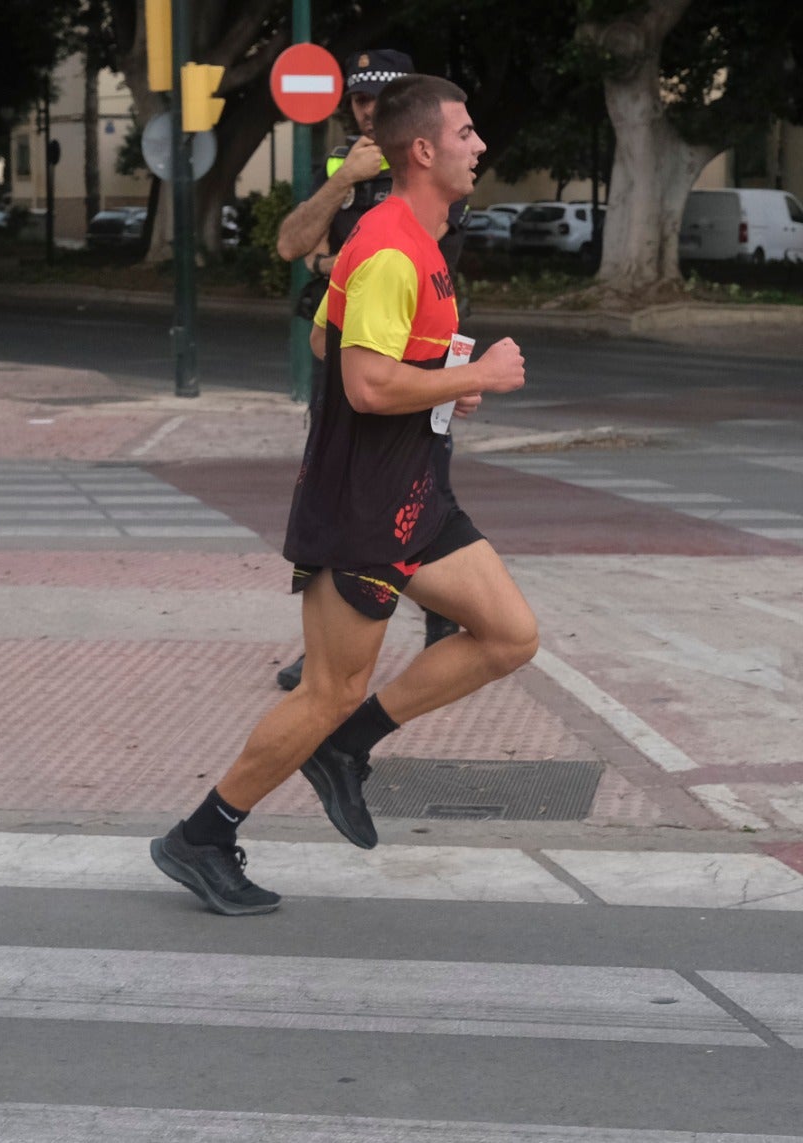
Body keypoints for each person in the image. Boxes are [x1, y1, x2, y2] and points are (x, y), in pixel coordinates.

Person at [151, 75, 536, 914]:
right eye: (466, 133)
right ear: (425, 150)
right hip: (363, 500)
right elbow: (361, 384)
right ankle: (204, 834)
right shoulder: (394, 244)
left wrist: (441, 380)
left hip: (415, 489)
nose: (479, 147)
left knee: (509, 633)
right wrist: (477, 374)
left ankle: (347, 750)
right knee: (327, 690)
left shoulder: (416, 240)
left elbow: (329, 336)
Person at [274, 50, 468, 694]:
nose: (365, 108)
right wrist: (340, 185)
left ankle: (437, 617)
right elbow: (292, 246)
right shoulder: (342, 168)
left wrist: (338, 265)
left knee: (415, 495)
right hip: (343, 353)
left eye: (379, 97)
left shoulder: (432, 166)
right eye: (358, 97)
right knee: (342, 498)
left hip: (408, 356)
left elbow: (419, 262)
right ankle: (329, 653)